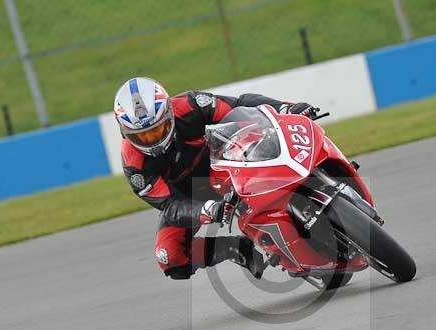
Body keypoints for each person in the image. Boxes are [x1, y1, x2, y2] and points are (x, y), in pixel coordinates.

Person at [114, 77, 318, 280]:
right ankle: (236, 248)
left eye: (158, 129)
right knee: (169, 257)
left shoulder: (188, 105)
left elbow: (239, 105)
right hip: (189, 198)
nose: (153, 140)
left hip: (222, 163)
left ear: (169, 113)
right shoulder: (134, 166)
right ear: (125, 132)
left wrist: (285, 108)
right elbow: (170, 205)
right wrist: (207, 210)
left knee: (266, 141)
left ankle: (313, 178)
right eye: (142, 136)